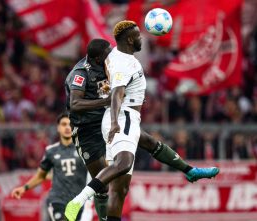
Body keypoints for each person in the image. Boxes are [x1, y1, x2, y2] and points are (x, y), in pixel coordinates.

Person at [64, 35, 219, 220]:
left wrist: (132, 97)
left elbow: (122, 86)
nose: (112, 55)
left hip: (109, 118)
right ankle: (81, 202)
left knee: (140, 152)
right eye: (108, 54)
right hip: (86, 130)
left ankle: (189, 170)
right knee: (103, 187)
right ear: (97, 59)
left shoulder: (111, 64)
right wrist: (106, 101)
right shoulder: (80, 73)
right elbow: (75, 104)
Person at [11, 113, 87, 221]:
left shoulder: (83, 149)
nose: (67, 127)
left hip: (79, 201)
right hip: (58, 200)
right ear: (58, 128)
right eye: (63, 124)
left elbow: (95, 171)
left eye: (70, 125)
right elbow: (40, 176)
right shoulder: (51, 151)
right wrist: (24, 188)